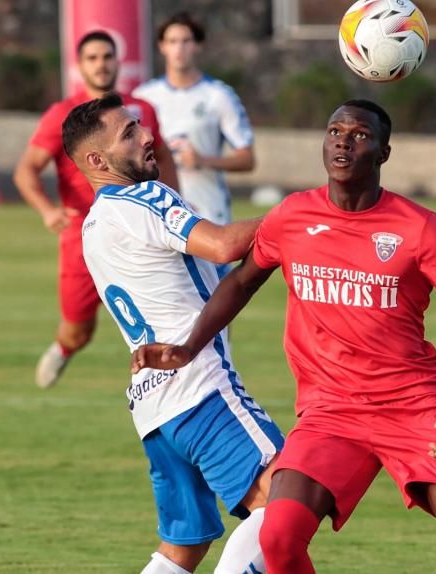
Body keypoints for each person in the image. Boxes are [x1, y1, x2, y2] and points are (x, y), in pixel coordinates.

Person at [134, 101, 436, 573]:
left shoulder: (420, 228)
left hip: (415, 409)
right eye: (335, 130)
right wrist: (189, 347)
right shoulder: (293, 216)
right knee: (278, 539)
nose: (343, 141)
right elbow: (240, 281)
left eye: (359, 135)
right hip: (331, 413)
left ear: (384, 153)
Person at [63, 92, 284, 573]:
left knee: (182, 549)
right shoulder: (145, 196)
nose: (148, 136)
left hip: (153, 410)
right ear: (98, 160)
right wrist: (306, 214)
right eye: (129, 133)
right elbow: (224, 245)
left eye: (140, 124)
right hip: (199, 387)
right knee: (287, 498)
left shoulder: (93, 224)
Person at [14, 31, 178, 389]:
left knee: (165, 312)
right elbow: (26, 170)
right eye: (92, 58)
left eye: (107, 56)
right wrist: (47, 211)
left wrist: (175, 204)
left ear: (118, 62)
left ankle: (170, 381)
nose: (101, 64)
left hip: (141, 230)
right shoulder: (63, 115)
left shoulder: (141, 109)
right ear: (80, 66)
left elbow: (162, 156)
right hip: (83, 236)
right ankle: (64, 347)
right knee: (78, 327)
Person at [134, 13, 254, 276]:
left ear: (198, 45)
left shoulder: (218, 96)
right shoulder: (144, 98)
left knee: (217, 303)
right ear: (161, 46)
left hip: (209, 211)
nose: (179, 48)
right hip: (159, 211)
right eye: (172, 41)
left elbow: (247, 158)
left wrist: (203, 160)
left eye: (186, 40)